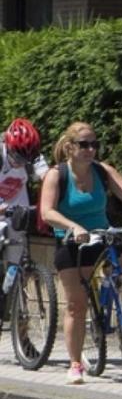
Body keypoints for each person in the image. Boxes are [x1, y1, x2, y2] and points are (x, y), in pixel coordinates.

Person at [38, 122, 122, 384]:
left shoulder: (103, 171)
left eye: (95, 144)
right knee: (76, 305)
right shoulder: (56, 175)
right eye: (84, 145)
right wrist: (73, 226)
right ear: (70, 147)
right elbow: (47, 212)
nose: (91, 150)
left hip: (103, 236)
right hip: (73, 242)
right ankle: (75, 363)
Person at [0, 118, 50, 284]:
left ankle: (15, 299)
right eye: (17, 157)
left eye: (26, 160)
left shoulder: (32, 156)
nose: (21, 163)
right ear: (7, 145)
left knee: (16, 265)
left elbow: (48, 178)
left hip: (15, 211)